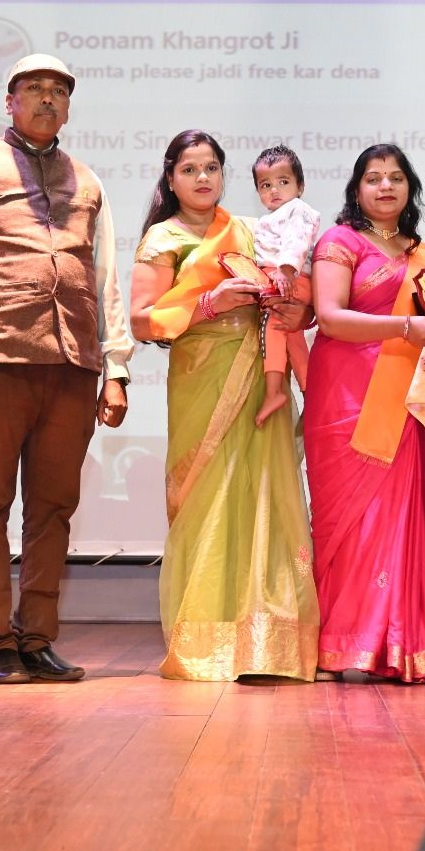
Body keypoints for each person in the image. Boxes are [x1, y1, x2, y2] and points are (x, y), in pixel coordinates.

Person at [0, 53, 133, 685]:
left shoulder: (87, 181)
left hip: (72, 368)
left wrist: (116, 370)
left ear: (68, 106)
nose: (47, 99)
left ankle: (37, 638)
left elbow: (106, 279)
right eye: (34, 89)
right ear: (9, 102)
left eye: (58, 91)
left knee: (53, 508)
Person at [129, 130, 319, 682]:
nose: (203, 178)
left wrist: (296, 307)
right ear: (171, 178)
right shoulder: (162, 238)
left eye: (212, 167)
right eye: (190, 169)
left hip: (259, 374)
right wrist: (208, 304)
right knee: (208, 495)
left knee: (265, 492)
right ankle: (207, 639)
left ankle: (269, 643)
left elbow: (293, 295)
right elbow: (141, 320)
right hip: (202, 377)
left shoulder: (250, 230)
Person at [302, 144, 425, 683]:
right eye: (373, 178)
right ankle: (339, 646)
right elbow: (330, 317)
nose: (385, 187)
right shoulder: (340, 242)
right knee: (350, 523)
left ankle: (399, 647)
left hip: (409, 401)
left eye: (396, 178)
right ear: (357, 189)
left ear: (409, 188)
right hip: (348, 399)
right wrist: (404, 327)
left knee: (402, 520)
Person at [250, 145, 320, 426]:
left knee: (274, 325)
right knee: (293, 336)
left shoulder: (297, 209)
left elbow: (297, 240)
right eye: (265, 185)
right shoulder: (268, 219)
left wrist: (285, 269)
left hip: (290, 278)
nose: (274, 190)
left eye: (283, 182)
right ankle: (310, 392)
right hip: (282, 277)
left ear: (300, 186)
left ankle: (274, 391)